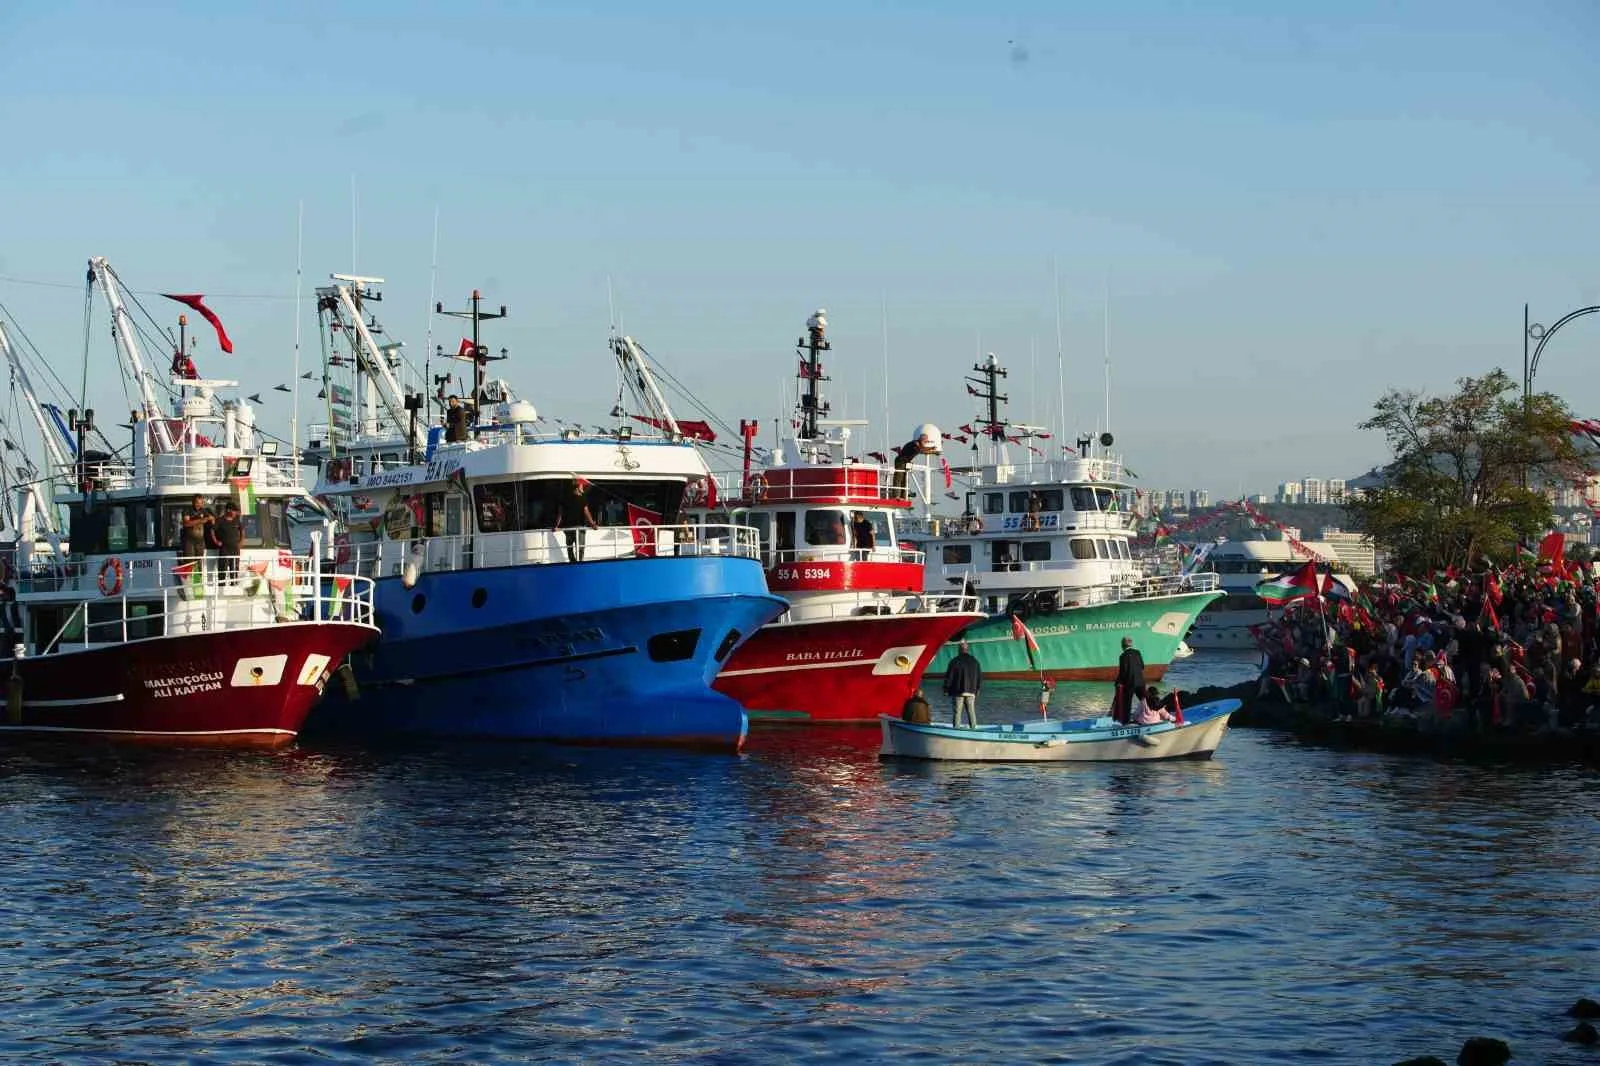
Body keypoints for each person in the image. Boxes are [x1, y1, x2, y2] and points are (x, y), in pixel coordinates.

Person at [555, 476, 598, 563]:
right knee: (580, 547)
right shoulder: (582, 499)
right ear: (578, 487)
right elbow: (587, 513)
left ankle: (573, 562)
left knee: (569, 547)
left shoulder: (564, 499)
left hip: (568, 528)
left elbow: (560, 514)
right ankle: (579, 563)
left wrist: (556, 526)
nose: (583, 488)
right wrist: (593, 524)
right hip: (579, 527)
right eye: (582, 486)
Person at [943, 640, 982, 728]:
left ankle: (956, 729)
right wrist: (978, 689)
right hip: (972, 691)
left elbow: (949, 677)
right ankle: (973, 728)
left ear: (959, 649)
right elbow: (979, 676)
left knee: (957, 712)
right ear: (967, 649)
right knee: (971, 711)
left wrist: (946, 689)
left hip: (958, 691)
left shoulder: (954, 661)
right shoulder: (975, 661)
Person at [1112, 635, 1145, 724]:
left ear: (1122, 646)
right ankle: (1150, 717)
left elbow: (1123, 672)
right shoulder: (1138, 652)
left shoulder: (1122, 656)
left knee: (1127, 703)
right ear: (1131, 644)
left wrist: (1117, 683)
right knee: (1145, 700)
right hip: (1140, 682)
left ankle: (1126, 722)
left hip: (1129, 683)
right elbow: (1142, 666)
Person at [211, 501, 244, 585]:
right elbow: (212, 530)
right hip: (224, 549)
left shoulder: (237, 520)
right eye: (234, 511)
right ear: (228, 510)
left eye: (236, 511)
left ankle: (234, 586)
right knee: (222, 570)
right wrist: (216, 541)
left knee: (234, 569)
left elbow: (242, 531)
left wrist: (241, 542)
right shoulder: (220, 520)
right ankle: (221, 586)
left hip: (235, 549)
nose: (235, 512)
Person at [179, 494, 213, 571]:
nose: (198, 505)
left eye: (200, 503)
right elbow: (186, 523)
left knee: (199, 561)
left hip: (200, 540)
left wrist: (211, 519)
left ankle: (199, 579)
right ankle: (190, 580)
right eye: (197, 502)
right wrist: (200, 520)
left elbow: (211, 518)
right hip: (189, 541)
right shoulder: (187, 510)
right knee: (189, 561)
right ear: (193, 502)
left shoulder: (203, 510)